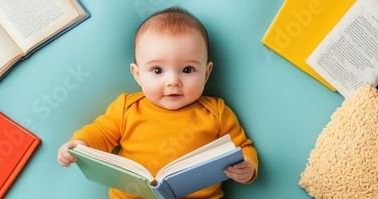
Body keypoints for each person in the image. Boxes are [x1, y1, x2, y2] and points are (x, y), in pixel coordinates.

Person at [57, 6, 258, 199]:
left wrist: (247, 167)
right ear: (137, 75)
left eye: (187, 70)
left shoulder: (216, 112)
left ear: (206, 73)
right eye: (157, 70)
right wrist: (80, 144)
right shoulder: (127, 108)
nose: (173, 82)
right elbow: (100, 133)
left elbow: (241, 147)